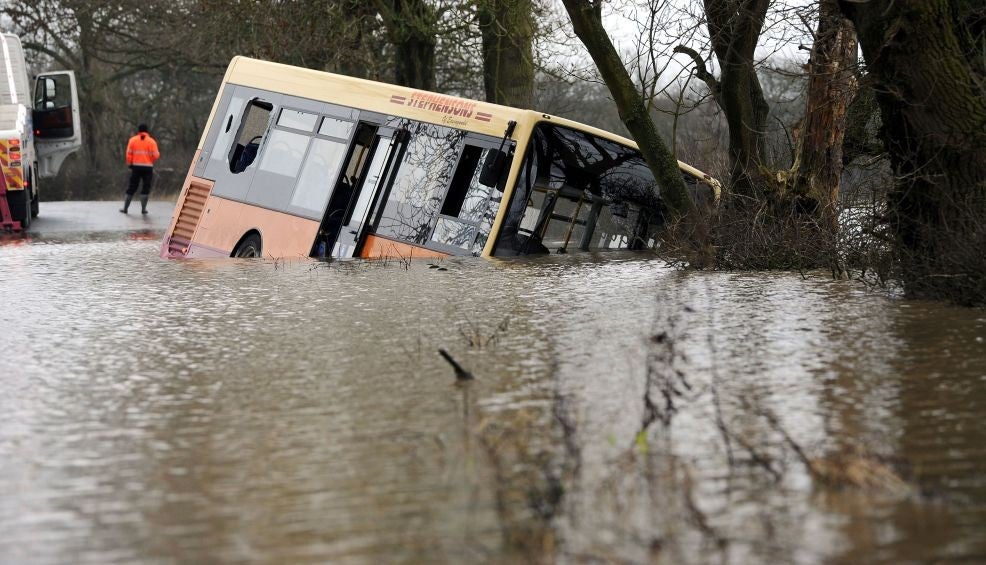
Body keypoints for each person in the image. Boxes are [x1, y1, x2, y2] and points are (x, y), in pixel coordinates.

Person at [120, 124, 160, 214]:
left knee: (132, 187)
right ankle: (143, 209)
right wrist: (150, 160)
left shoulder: (132, 140)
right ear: (147, 131)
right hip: (148, 168)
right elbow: (156, 155)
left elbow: (128, 154)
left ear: (138, 130)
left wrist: (130, 163)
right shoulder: (152, 141)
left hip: (136, 167)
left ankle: (125, 208)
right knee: (146, 187)